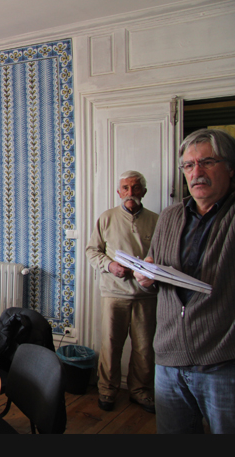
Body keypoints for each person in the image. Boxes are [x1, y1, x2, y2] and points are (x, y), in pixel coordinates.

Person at [135, 129, 235, 434]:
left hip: (223, 362)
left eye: (207, 162)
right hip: (168, 358)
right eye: (189, 165)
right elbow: (153, 272)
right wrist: (145, 277)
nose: (196, 172)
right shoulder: (169, 216)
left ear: (230, 167)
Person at [86, 170, 159, 413]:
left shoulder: (157, 220)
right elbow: (92, 251)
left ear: (143, 192)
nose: (130, 192)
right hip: (114, 293)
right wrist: (110, 266)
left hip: (146, 295)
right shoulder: (106, 218)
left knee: (144, 348)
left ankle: (141, 391)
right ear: (118, 192)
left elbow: (163, 255)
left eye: (135, 187)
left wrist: (150, 268)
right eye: (125, 188)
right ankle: (107, 391)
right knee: (110, 345)